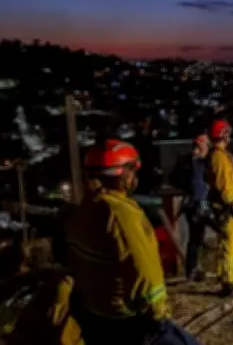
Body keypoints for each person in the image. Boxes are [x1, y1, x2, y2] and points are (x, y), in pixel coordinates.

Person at [65, 138, 200, 344]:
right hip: (131, 322)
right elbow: (145, 270)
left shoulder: (83, 210)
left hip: (96, 317)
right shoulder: (121, 214)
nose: (134, 177)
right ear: (122, 173)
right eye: (132, 170)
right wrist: (158, 313)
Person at [204, 120, 233, 297]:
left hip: (224, 205)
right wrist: (230, 203)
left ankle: (225, 276)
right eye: (227, 133)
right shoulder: (219, 157)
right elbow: (224, 183)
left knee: (225, 243)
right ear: (223, 134)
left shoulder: (221, 155)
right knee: (229, 244)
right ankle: (228, 281)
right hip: (226, 207)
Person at [178, 133, 212, 281]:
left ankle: (194, 269)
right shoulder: (193, 162)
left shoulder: (196, 161)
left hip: (199, 201)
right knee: (196, 236)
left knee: (198, 236)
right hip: (197, 203)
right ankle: (192, 270)